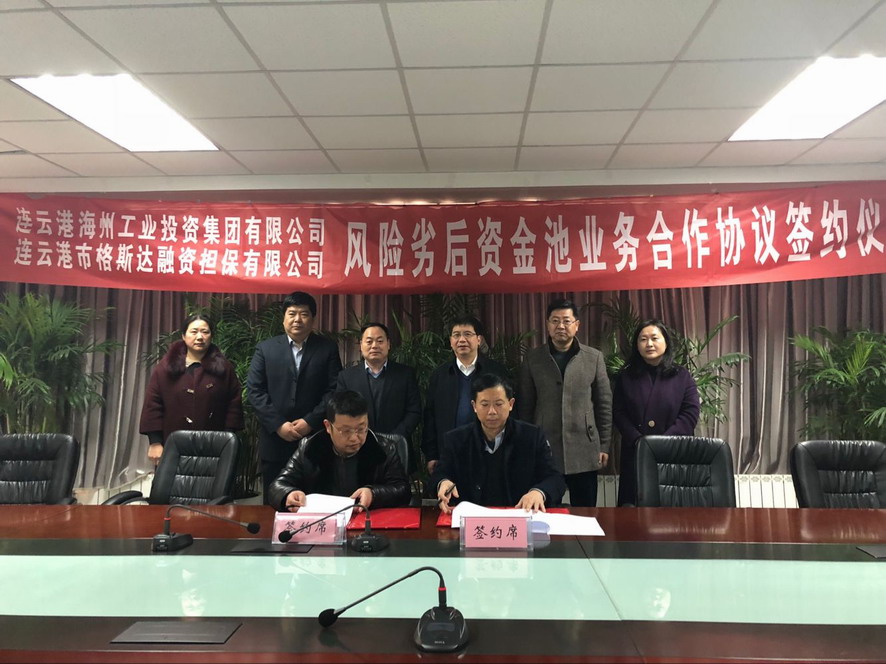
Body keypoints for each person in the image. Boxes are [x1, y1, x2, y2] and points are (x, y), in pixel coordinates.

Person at [247, 291, 342, 503]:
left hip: (314, 439)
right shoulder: (265, 349)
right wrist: (278, 424)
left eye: (304, 314)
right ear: (284, 318)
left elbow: (334, 390)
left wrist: (310, 421)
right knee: (276, 503)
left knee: (316, 503)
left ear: (313, 319)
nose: (297, 319)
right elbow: (255, 390)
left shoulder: (327, 348)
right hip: (275, 441)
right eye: (292, 313)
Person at [518, 298, 612, 507]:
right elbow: (525, 407)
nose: (560, 326)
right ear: (547, 324)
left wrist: (604, 444)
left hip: (584, 448)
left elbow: (604, 405)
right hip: (545, 448)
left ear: (577, 325)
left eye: (566, 321)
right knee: (544, 513)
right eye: (555, 321)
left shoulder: (594, 358)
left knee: (585, 513)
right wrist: (527, 446)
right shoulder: (533, 359)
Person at [433, 373, 565, 513]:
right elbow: (439, 474)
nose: (492, 411)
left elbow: (555, 479)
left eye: (499, 404)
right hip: (472, 519)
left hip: (519, 516)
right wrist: (443, 482)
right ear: (474, 406)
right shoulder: (456, 440)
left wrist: (539, 492)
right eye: (485, 404)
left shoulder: (532, 436)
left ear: (510, 404)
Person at [267, 390, 410, 512]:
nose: (355, 438)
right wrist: (288, 494)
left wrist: (373, 494)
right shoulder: (310, 448)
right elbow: (277, 486)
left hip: (366, 524)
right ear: (328, 426)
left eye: (361, 429)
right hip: (324, 524)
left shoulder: (383, 448)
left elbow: (402, 490)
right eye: (346, 431)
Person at [612, 319, 700, 506]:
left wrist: (664, 442)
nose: (649, 344)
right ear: (637, 345)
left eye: (654, 338)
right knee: (635, 511)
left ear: (666, 342)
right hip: (637, 452)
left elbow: (690, 412)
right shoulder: (626, 376)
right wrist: (639, 441)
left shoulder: (681, 375)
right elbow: (618, 412)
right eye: (643, 339)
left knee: (674, 511)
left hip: (673, 452)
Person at [140, 314, 244, 466]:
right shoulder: (165, 367)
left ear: (211, 336)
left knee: (211, 481)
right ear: (184, 335)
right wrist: (155, 442)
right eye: (194, 332)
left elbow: (234, 404)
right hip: (173, 444)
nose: (200, 337)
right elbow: (153, 404)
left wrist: (228, 438)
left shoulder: (224, 368)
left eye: (205, 332)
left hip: (214, 445)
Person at [421, 315, 509, 474]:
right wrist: (431, 455)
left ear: (479, 340)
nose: (462, 340)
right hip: (450, 453)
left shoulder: (496, 371)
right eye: (456, 335)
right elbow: (430, 417)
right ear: (450, 341)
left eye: (467, 334)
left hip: (489, 452)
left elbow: (509, 412)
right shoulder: (440, 375)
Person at [335, 322, 421, 451]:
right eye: (369, 341)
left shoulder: (405, 374)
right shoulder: (346, 377)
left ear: (388, 344)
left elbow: (414, 411)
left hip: (397, 447)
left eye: (380, 341)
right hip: (357, 448)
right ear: (361, 345)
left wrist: (394, 438)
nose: (374, 346)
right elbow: (341, 413)